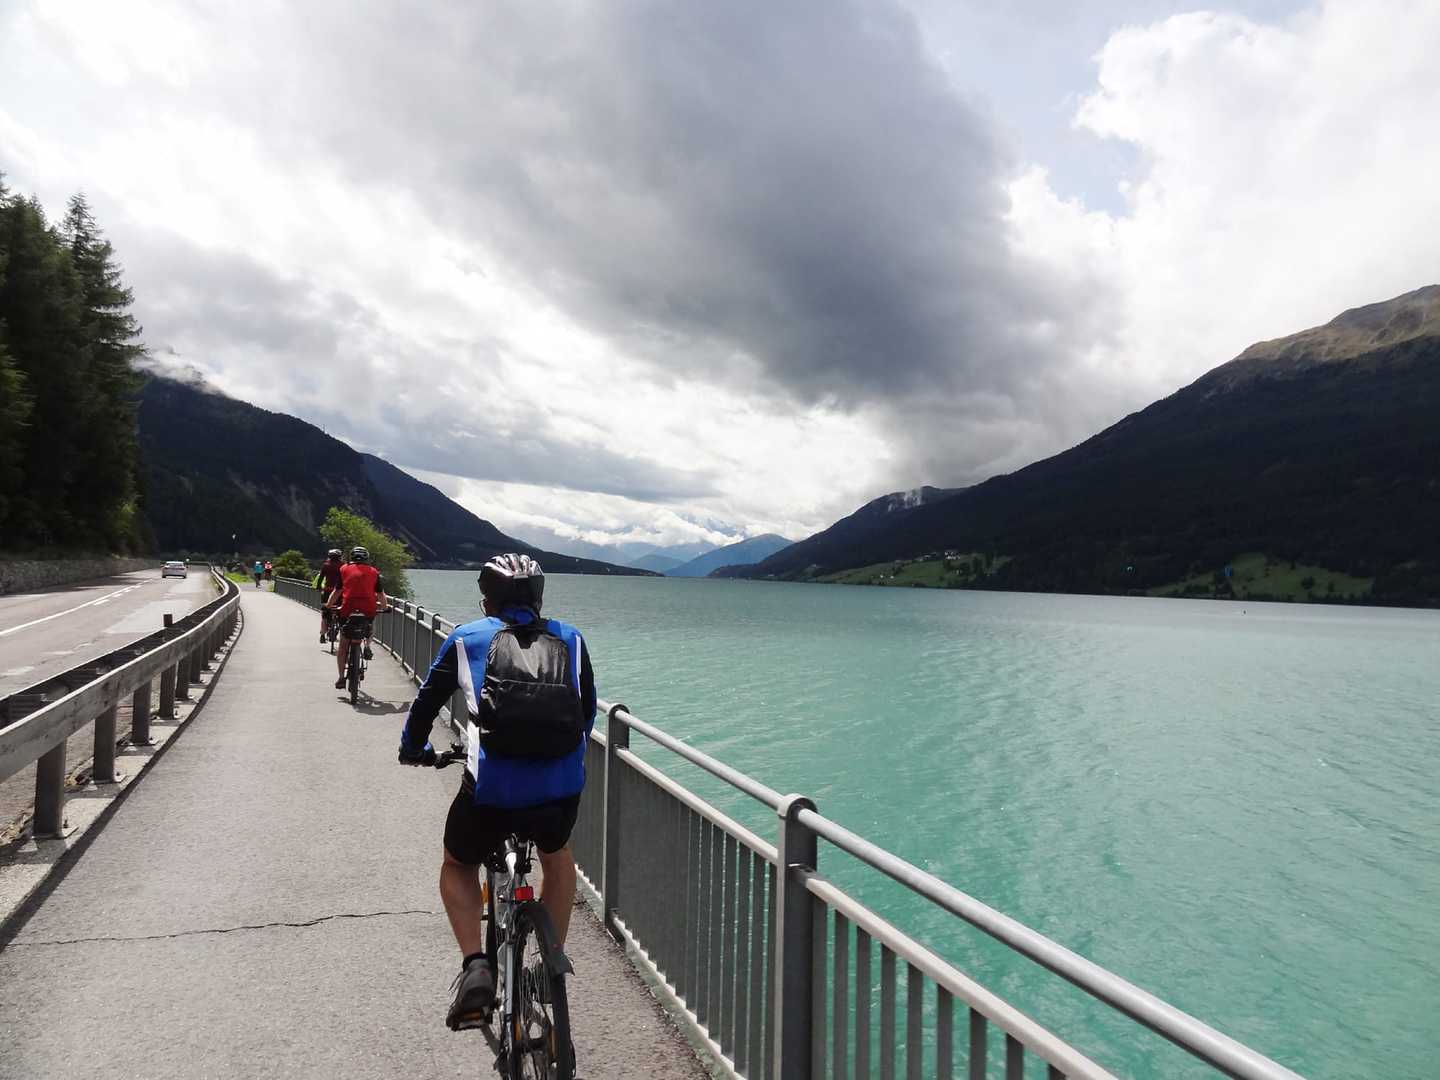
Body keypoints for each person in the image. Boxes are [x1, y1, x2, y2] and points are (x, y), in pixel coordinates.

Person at [398, 553, 595, 1031]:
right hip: (557, 793)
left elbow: (426, 702)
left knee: (457, 863)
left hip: (491, 795)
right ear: (539, 597)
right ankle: (551, 962)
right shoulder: (571, 638)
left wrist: (414, 749)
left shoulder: (467, 638)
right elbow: (586, 713)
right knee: (557, 857)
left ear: (487, 599)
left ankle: (476, 967)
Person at [325, 546, 389, 689]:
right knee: (370, 625)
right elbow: (380, 594)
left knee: (343, 646)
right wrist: (385, 607)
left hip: (347, 610)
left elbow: (337, 591)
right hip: (368, 609)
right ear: (366, 558)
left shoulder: (344, 569)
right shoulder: (374, 572)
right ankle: (367, 645)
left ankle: (341, 678)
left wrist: (329, 605)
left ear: (351, 557)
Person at [314, 549, 343, 643]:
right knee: (340, 612)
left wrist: (318, 587)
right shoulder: (343, 566)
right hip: (339, 592)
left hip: (327, 592)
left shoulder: (326, 565)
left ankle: (322, 634)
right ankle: (336, 629)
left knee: (325, 614)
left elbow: (321, 577)